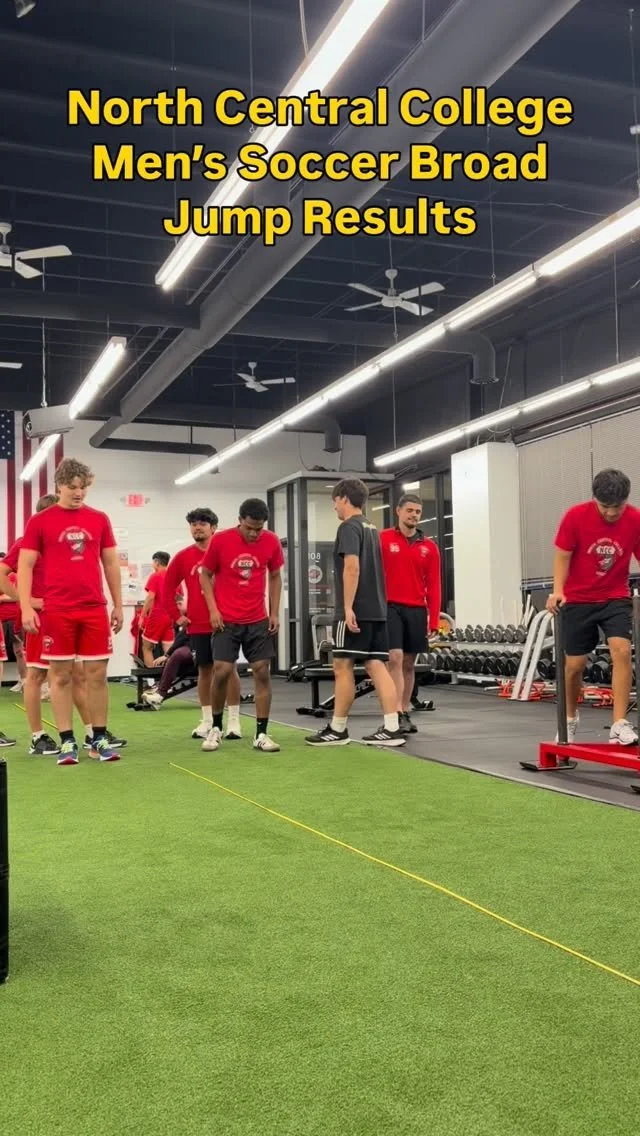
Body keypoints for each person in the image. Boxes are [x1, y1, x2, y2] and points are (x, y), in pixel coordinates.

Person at [17, 458, 124, 766]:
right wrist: (26, 606)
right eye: (72, 487)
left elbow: (110, 563)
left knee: (96, 675)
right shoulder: (40, 521)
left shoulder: (99, 519)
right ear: (59, 486)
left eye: (83, 487)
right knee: (60, 676)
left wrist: (117, 604)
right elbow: (24, 565)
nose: (78, 493)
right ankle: (67, 740)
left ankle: (98, 739)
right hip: (57, 610)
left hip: (93, 608)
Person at [305, 479, 406, 748]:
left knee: (342, 666)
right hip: (377, 610)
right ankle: (392, 728)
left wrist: (348, 607)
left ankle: (338, 729)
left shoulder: (348, 527)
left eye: (335, 501)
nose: (334, 507)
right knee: (376, 665)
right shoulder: (371, 528)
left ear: (344, 499)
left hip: (356, 611)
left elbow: (352, 567)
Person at [547, 468, 640, 747]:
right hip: (578, 599)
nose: (611, 513)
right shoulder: (575, 516)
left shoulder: (635, 519)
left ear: (626, 500)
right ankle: (569, 718)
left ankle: (619, 723)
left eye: (617, 507)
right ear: (595, 499)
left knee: (622, 651)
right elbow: (562, 557)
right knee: (574, 666)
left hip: (615, 596)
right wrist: (558, 591)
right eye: (605, 506)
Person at [199, 498, 283, 753]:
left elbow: (275, 576)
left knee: (262, 671)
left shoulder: (271, 541)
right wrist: (213, 610)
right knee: (222, 671)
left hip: (257, 618)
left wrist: (274, 612)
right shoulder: (221, 541)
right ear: (239, 521)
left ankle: (261, 733)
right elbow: (205, 575)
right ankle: (215, 727)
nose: (254, 534)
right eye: (249, 528)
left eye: (259, 528)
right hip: (226, 619)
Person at [162, 508, 243, 740]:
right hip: (198, 624)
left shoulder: (226, 552)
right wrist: (176, 616)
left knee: (229, 670)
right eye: (194, 524)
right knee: (205, 671)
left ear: (213, 528)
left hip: (226, 623)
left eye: (202, 524)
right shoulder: (183, 557)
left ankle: (234, 722)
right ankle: (208, 721)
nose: (197, 528)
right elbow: (167, 587)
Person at [380, 493, 441, 734]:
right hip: (390, 606)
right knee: (394, 657)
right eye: (409, 510)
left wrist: (434, 619)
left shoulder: (429, 547)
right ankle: (394, 712)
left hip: (416, 609)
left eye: (417, 511)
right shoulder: (383, 539)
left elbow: (434, 585)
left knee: (408, 663)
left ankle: (404, 711)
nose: (414, 515)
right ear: (398, 511)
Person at [142, 627, 196, 707]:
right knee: (177, 654)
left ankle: (161, 689)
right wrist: (168, 655)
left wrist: (168, 655)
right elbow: (182, 636)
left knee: (177, 654)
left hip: (204, 647)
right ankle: (160, 690)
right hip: (192, 647)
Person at [140, 550, 176, 667]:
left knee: (147, 647)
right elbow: (179, 598)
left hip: (157, 616)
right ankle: (169, 677)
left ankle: (151, 676)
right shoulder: (173, 576)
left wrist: (142, 616)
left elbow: (150, 598)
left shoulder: (155, 576)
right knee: (169, 651)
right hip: (170, 617)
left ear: (156, 562)